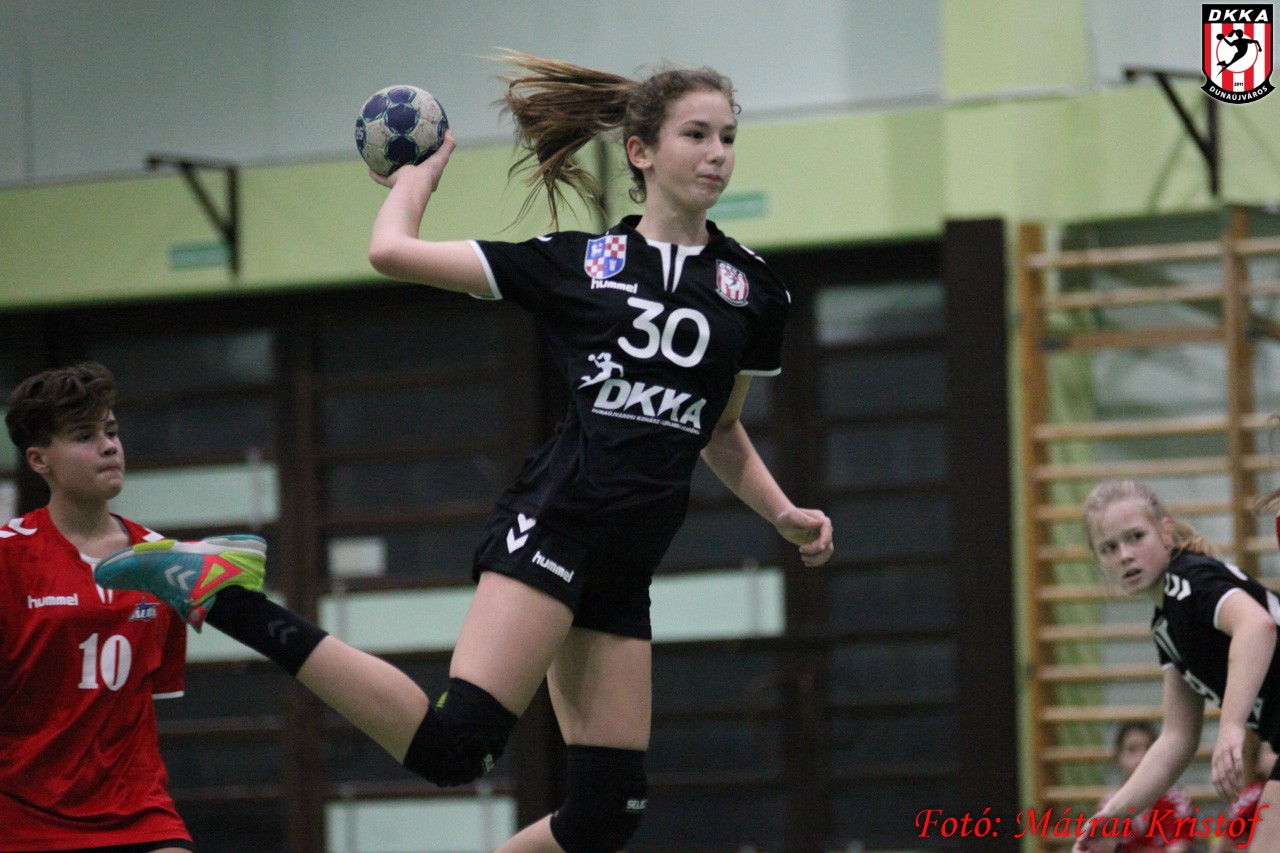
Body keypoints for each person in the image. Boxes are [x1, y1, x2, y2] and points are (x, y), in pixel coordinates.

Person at [94, 50, 834, 853]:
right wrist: (414, 179)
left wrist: (782, 512)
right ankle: (228, 594)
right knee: (457, 748)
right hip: (557, 526)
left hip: (628, 562)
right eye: (697, 134)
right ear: (641, 150)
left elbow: (719, 430)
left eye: (728, 137)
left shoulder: (754, 291)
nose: (718, 153)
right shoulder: (579, 265)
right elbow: (392, 250)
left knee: (606, 813)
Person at [0, 362, 195, 853]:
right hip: (23, 820)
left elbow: (147, 697)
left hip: (140, 812)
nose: (108, 446)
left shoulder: (163, 561)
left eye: (111, 431)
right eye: (84, 436)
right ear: (39, 460)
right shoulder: (7, 557)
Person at [1073, 479, 1279, 853]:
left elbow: (1256, 626)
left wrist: (1231, 727)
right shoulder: (1166, 624)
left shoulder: (1187, 582)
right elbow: (1177, 739)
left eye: (1136, 537)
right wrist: (1115, 814)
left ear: (1165, 533)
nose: (1125, 555)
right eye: (1109, 548)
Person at [1101, 721, 1193, 853]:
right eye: (1132, 750)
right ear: (1118, 758)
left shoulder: (1177, 801)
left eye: (1149, 749)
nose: (1141, 758)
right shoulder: (1108, 807)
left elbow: (1180, 848)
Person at [1210, 731, 1277, 852]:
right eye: (1273, 750)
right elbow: (1226, 837)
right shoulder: (1255, 793)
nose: (1277, 757)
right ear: (1257, 760)